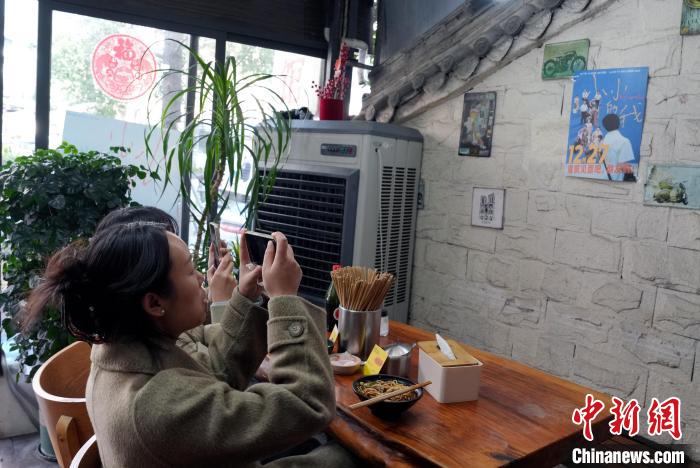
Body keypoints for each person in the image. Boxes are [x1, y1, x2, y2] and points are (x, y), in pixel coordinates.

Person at [23, 223, 356, 467]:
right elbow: (305, 405)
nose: (201, 278)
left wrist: (245, 296)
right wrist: (285, 299)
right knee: (360, 456)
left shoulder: (121, 346)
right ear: (154, 303)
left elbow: (216, 378)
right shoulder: (156, 404)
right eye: (189, 270)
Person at [601, 113, 636, 181]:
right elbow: (623, 166)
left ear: (604, 126)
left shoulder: (603, 142)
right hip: (617, 180)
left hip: (603, 177)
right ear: (619, 124)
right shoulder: (624, 141)